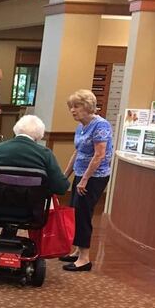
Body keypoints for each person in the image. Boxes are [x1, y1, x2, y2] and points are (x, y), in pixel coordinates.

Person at [0, 115, 70, 236]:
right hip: (30, 211)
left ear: (16, 129)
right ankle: (9, 235)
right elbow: (61, 187)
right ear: (39, 135)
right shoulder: (45, 154)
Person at [60, 89, 113, 272]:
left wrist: (84, 180)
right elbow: (78, 152)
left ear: (88, 106)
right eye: (71, 107)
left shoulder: (101, 126)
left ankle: (84, 258)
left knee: (83, 214)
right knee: (75, 213)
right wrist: (65, 175)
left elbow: (99, 155)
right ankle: (77, 251)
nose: (72, 110)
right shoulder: (81, 126)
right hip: (81, 174)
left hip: (94, 178)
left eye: (77, 106)